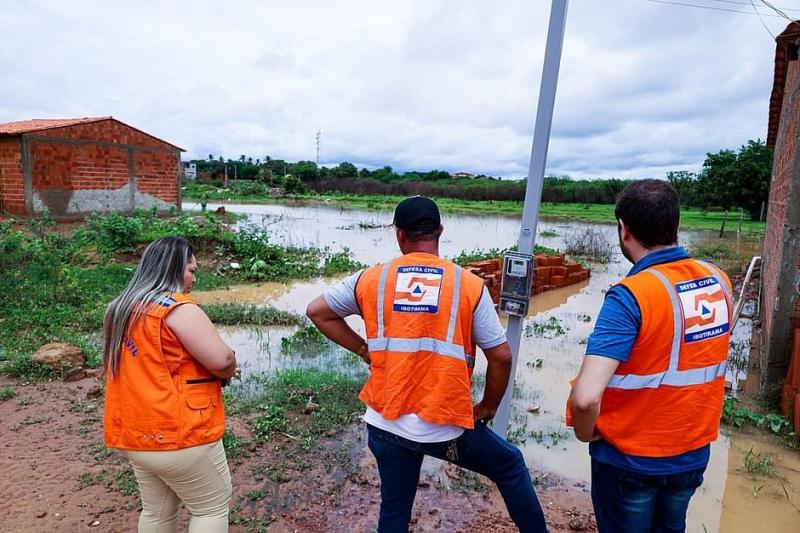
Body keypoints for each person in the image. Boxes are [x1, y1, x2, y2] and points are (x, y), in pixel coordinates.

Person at [306, 196, 547, 533]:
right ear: (440, 231)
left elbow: (317, 311)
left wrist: (362, 349)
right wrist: (488, 406)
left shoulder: (371, 279)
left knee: (395, 511)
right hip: (444, 424)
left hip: (386, 422)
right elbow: (501, 356)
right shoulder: (468, 285)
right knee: (509, 465)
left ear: (399, 234)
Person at [568, 180, 733, 533]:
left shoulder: (630, 296)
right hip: (692, 454)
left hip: (631, 461)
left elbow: (585, 398)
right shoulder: (718, 280)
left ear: (624, 230)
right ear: (676, 223)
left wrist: (584, 433)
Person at [103, 236, 238, 533]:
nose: (194, 279)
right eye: (191, 270)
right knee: (211, 507)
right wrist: (231, 367)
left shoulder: (121, 308)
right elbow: (222, 359)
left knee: (157, 511)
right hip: (179, 434)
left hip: (136, 434)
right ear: (174, 268)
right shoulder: (178, 309)